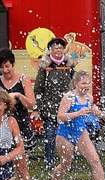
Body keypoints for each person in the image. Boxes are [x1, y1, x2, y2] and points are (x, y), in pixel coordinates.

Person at [47, 70, 105, 180]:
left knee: (95, 161)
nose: (86, 85)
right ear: (75, 83)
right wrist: (77, 113)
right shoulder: (69, 97)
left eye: (88, 83)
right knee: (65, 164)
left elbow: (93, 110)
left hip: (80, 131)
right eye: (83, 83)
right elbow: (60, 117)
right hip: (65, 134)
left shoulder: (89, 98)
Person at [0, 48, 35, 180]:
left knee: (21, 166)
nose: (5, 70)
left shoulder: (23, 79)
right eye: (2, 67)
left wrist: (18, 96)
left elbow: (32, 104)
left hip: (21, 126)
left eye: (7, 66)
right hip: (1, 127)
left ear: (13, 64)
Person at [34, 37, 76, 169]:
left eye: (60, 48)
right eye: (55, 48)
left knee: (68, 137)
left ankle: (68, 163)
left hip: (67, 108)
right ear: (50, 51)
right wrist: (41, 107)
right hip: (49, 108)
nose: (58, 50)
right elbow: (38, 89)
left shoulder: (69, 65)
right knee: (50, 137)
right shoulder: (45, 66)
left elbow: (75, 85)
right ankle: (49, 162)